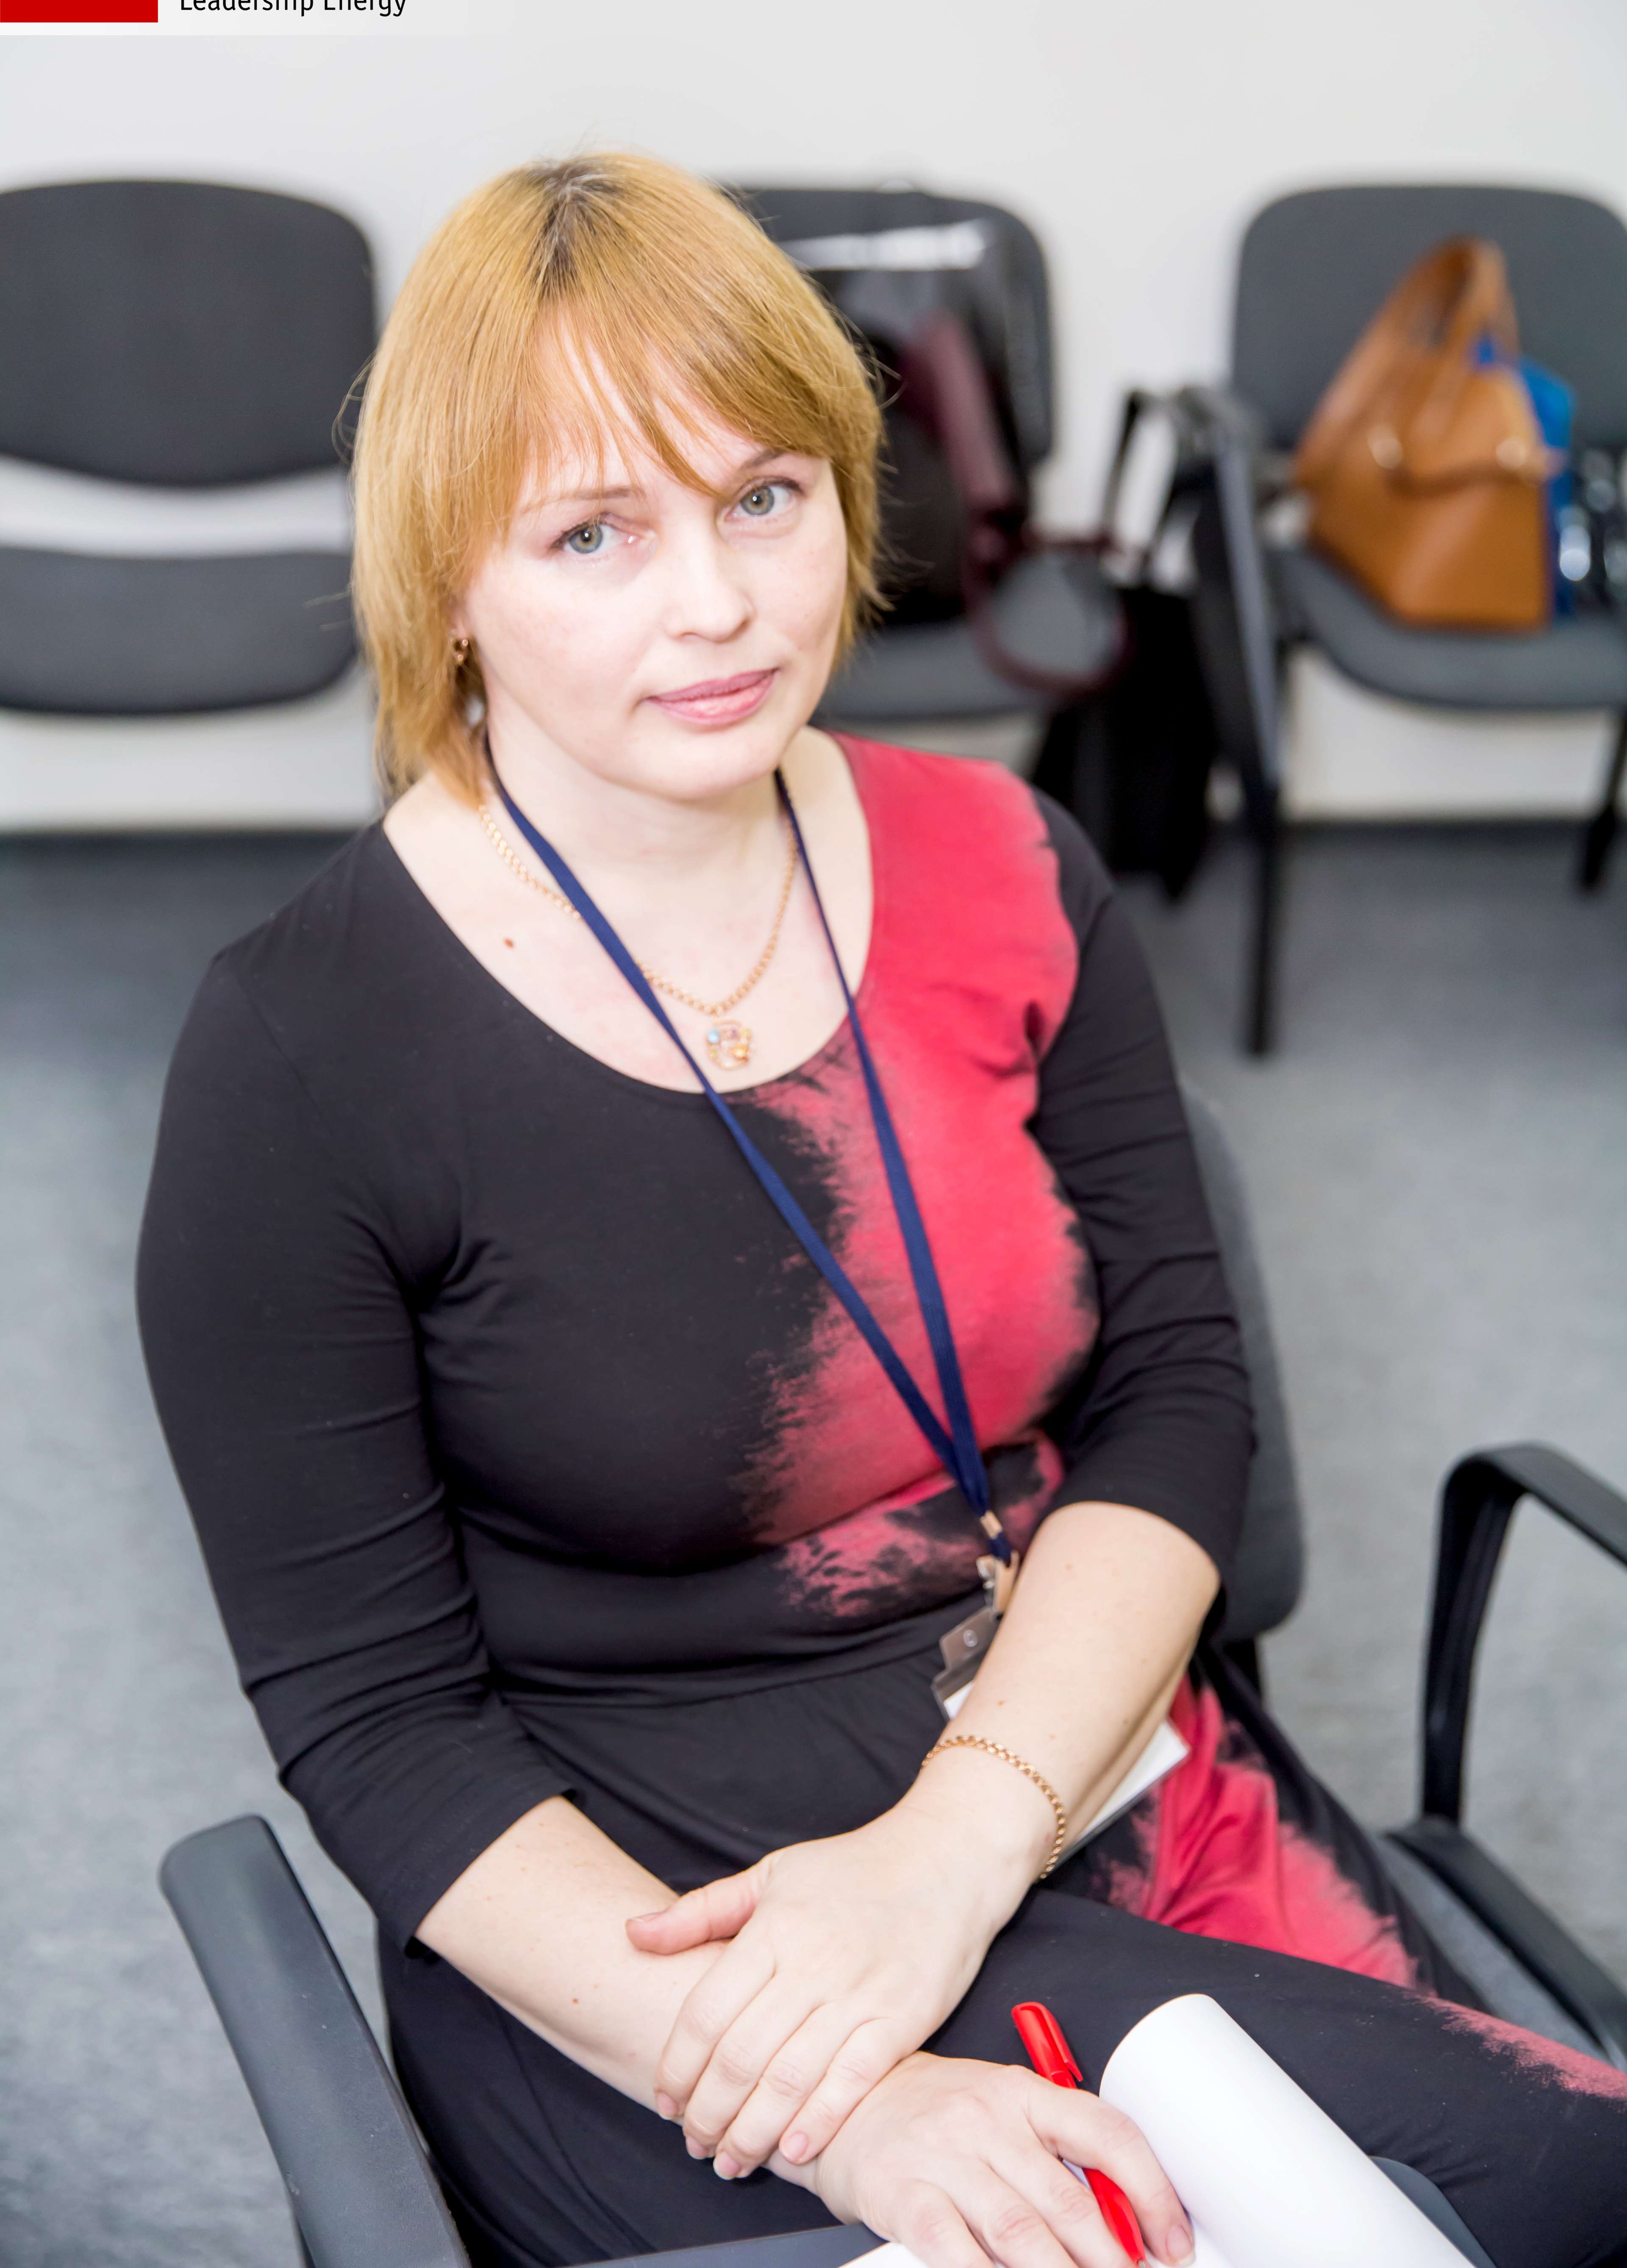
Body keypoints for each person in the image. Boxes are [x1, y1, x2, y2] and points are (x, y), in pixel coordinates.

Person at [137, 155, 1627, 2268]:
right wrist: (853, 2108)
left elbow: (1175, 1402)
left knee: (1540, 2192)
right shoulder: (304, 1054)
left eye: (765, 496)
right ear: (445, 582)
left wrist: (957, 1846)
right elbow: (376, 1724)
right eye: (594, 533)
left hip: (1068, 1758)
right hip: (653, 1933)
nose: (719, 603)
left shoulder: (1007, 866)